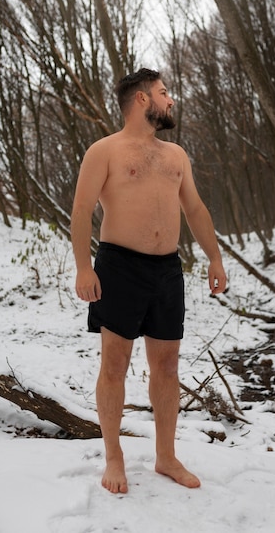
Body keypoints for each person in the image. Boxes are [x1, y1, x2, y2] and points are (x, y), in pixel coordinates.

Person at [71, 68, 227, 494]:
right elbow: (82, 210)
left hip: (167, 270)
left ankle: (165, 456)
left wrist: (214, 257)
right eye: (163, 93)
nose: (170, 100)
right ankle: (114, 457)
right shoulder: (104, 151)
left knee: (168, 365)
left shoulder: (175, 155)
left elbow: (194, 209)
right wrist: (85, 267)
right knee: (115, 364)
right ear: (142, 99)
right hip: (119, 266)